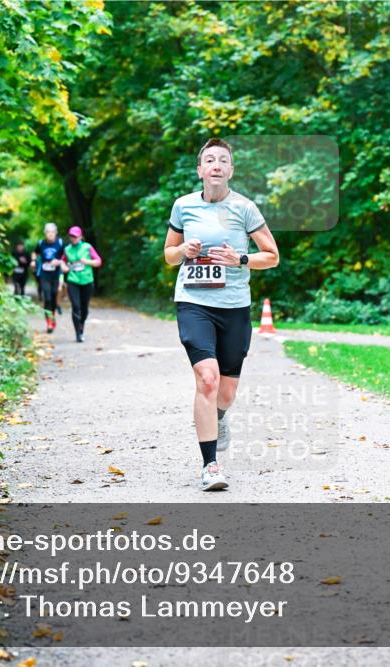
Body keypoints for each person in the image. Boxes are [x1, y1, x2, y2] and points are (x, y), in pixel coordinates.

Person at [163, 138, 279, 491]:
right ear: (200, 170)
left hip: (234, 306)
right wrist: (183, 249)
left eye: (222, 160)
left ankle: (219, 416)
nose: (216, 165)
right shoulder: (183, 206)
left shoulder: (245, 208)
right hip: (193, 302)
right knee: (207, 380)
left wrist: (240, 259)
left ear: (230, 170)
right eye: (209, 160)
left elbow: (271, 255)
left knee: (225, 394)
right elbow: (169, 255)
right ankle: (210, 465)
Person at [61, 225, 102, 342]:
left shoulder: (87, 247)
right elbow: (62, 261)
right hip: (73, 280)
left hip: (87, 280)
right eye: (71, 236)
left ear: (80, 237)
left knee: (84, 309)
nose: (73, 238)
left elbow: (98, 261)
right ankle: (78, 333)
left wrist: (87, 261)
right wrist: (64, 267)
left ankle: (81, 324)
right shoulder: (67, 249)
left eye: (75, 236)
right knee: (76, 307)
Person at [33, 223, 65, 333]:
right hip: (44, 274)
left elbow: (65, 257)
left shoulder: (60, 243)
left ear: (56, 233)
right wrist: (33, 261)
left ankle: (53, 315)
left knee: (54, 296)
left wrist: (60, 262)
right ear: (45, 233)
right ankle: (49, 323)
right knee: (47, 298)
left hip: (56, 274)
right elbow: (35, 253)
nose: (50, 234)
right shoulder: (41, 243)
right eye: (48, 232)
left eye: (52, 232)